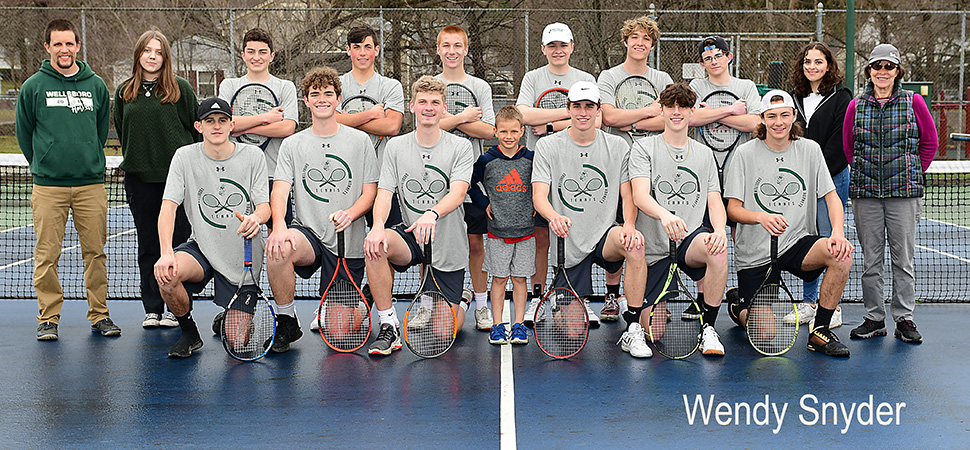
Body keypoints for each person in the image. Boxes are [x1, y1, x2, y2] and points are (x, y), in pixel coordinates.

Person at [725, 90, 852, 358]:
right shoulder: (744, 154)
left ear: (794, 116)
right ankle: (739, 305)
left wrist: (838, 232)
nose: (778, 122)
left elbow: (832, 198)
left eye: (784, 115)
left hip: (797, 242)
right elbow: (733, 209)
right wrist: (761, 216)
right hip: (757, 252)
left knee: (841, 255)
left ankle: (820, 331)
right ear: (762, 119)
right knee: (766, 334)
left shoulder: (810, 150)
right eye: (771, 116)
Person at [17, 19, 120, 340]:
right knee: (46, 255)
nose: (64, 50)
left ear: (78, 46)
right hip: (48, 187)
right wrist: (44, 164)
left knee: (96, 253)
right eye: (57, 44)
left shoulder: (97, 86)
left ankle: (100, 315)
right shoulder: (33, 87)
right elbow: (24, 132)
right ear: (47, 48)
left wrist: (87, 156)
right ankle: (48, 319)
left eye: (69, 44)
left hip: (91, 185)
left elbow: (101, 130)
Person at [265, 67, 378, 353]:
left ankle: (365, 300)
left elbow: (370, 192)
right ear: (306, 100)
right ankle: (287, 320)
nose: (322, 99)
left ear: (339, 99)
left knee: (340, 334)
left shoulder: (360, 141)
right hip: (309, 235)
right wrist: (279, 226)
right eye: (315, 94)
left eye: (328, 93)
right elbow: (280, 189)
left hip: (346, 242)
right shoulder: (292, 144)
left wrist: (350, 214)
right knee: (278, 248)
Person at [531, 81, 647, 356]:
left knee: (635, 244)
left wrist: (629, 224)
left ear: (598, 111)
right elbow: (539, 196)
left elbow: (628, 195)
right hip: (568, 243)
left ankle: (632, 327)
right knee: (571, 332)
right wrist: (553, 216)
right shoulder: (548, 146)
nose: (583, 112)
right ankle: (566, 304)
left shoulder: (618, 146)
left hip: (605, 236)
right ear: (568, 109)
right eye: (577, 107)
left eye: (589, 107)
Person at [363, 76, 474, 356]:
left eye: (435, 102)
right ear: (412, 106)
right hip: (412, 236)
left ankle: (462, 300)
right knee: (377, 245)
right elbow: (385, 193)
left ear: (444, 108)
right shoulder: (396, 147)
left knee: (443, 331)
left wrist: (432, 213)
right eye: (422, 102)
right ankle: (389, 326)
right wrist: (377, 226)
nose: (428, 107)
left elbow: (458, 193)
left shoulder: (460, 147)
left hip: (448, 242)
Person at [154, 97, 270, 358]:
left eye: (222, 121)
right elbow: (168, 207)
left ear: (232, 125)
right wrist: (165, 253)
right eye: (209, 121)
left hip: (243, 256)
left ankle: (228, 317)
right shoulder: (184, 157)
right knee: (167, 275)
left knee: (237, 343)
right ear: (199, 126)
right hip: (202, 248)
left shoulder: (253, 156)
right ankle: (189, 332)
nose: (216, 126)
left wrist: (257, 218)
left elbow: (265, 206)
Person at [844, 44, 936, 344]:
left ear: (898, 72)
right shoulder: (855, 105)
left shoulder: (914, 102)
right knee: (871, 260)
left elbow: (930, 143)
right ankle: (874, 318)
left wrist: (910, 171)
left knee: (903, 260)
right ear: (869, 71)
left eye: (889, 67)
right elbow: (849, 146)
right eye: (876, 67)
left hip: (904, 195)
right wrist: (866, 172)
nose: (882, 72)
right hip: (865, 194)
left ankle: (904, 318)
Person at [630, 82, 729, 357]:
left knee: (718, 250)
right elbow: (639, 195)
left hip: (688, 241)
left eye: (682, 106)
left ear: (691, 111)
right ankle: (635, 325)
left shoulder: (705, 154)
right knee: (654, 333)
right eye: (670, 106)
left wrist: (719, 229)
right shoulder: (643, 148)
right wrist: (665, 215)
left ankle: (708, 328)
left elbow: (714, 199)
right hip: (653, 248)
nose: (676, 112)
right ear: (661, 110)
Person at [114, 29, 200, 329]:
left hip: (177, 184)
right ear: (139, 54)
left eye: (158, 52)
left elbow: (195, 129)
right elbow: (123, 131)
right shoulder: (125, 92)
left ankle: (179, 308)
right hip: (140, 182)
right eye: (147, 51)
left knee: (178, 245)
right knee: (149, 245)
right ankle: (153, 309)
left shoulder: (181, 90)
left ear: (165, 57)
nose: (152, 56)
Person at [516, 22, 599, 324]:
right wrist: (571, 113)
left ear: (572, 47)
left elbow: (595, 119)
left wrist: (552, 124)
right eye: (552, 46)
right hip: (540, 165)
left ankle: (579, 297)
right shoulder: (532, 77)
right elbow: (523, 115)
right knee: (541, 237)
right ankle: (538, 297)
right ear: (543, 49)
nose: (558, 50)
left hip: (578, 170)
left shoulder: (585, 78)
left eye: (563, 45)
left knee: (581, 235)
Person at [216, 28, 296, 333]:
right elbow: (225, 125)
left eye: (263, 52)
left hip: (275, 178)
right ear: (242, 55)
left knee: (276, 248)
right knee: (239, 246)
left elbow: (288, 127)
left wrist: (243, 124)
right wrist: (266, 118)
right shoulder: (230, 85)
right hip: (238, 179)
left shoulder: (284, 86)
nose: (256, 57)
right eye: (251, 51)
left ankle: (285, 316)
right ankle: (239, 305)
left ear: (272, 56)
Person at [596, 15, 675, 320]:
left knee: (651, 232)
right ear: (626, 41)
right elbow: (610, 118)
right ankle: (613, 296)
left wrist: (630, 117)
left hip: (654, 163)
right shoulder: (608, 76)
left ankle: (654, 296)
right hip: (617, 162)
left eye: (646, 39)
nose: (640, 43)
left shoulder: (662, 77)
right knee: (620, 228)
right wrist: (645, 112)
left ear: (652, 45)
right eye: (635, 37)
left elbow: (668, 118)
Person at [683, 35, 762, 320]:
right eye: (707, 58)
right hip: (702, 174)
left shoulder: (746, 86)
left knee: (739, 235)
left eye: (718, 55)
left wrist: (711, 114)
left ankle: (742, 291)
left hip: (738, 174)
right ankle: (704, 298)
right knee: (706, 235)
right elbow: (690, 119)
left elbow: (755, 123)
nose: (713, 61)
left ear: (729, 57)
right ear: (702, 63)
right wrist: (731, 110)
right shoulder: (696, 87)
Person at [786, 41, 853, 328]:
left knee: (830, 240)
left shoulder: (842, 96)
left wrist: (818, 176)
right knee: (807, 241)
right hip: (800, 182)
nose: (812, 67)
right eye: (807, 62)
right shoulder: (793, 98)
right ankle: (809, 303)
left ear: (829, 65)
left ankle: (832, 307)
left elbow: (840, 142)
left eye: (818, 61)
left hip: (832, 177)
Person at [435, 25, 497, 331]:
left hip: (471, 176)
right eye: (445, 45)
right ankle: (427, 305)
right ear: (438, 50)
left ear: (466, 49)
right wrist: (462, 118)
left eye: (457, 45)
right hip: (433, 174)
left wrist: (448, 122)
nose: (451, 51)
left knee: (475, 245)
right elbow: (427, 125)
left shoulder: (480, 86)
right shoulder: (430, 84)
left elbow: (489, 131)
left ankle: (481, 306)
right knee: (431, 243)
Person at [469, 105, 534, 345]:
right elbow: (470, 184)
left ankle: (518, 326)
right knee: (498, 279)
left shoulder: (530, 159)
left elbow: (541, 184)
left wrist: (537, 202)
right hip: (496, 234)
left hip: (526, 233)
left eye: (514, 132)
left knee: (519, 279)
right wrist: (483, 202)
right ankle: (498, 326)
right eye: (504, 131)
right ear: (495, 131)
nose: (509, 137)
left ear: (522, 131)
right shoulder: (486, 160)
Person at [336, 25, 405, 227]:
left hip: (383, 177)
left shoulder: (390, 86)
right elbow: (330, 121)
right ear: (348, 50)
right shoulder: (337, 84)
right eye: (356, 47)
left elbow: (392, 126)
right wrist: (372, 114)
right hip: (347, 176)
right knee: (346, 244)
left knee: (385, 240)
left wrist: (350, 120)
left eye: (367, 46)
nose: (362, 53)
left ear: (377, 50)